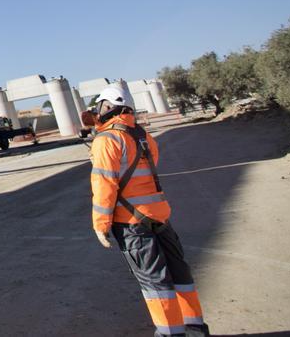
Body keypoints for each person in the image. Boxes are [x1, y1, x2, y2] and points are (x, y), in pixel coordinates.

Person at [89, 85, 209, 337]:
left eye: (100, 106)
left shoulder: (107, 140)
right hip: (159, 215)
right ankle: (195, 328)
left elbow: (104, 185)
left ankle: (169, 332)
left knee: (155, 283)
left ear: (108, 107)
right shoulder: (143, 136)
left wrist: (101, 225)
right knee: (180, 275)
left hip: (131, 222)